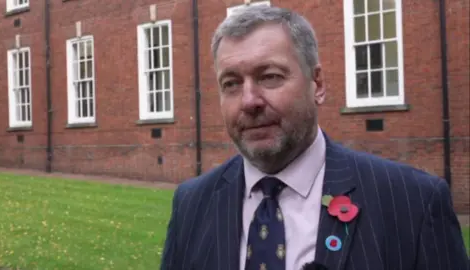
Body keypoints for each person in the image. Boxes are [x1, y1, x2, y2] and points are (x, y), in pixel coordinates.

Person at [160, 5, 469, 270]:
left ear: (317, 84)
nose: (249, 100)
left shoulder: (413, 203)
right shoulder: (191, 203)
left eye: (270, 77)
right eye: (231, 83)